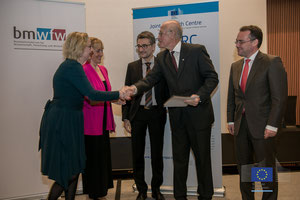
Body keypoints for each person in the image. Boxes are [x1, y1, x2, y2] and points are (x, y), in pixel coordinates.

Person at [126, 20, 219, 200]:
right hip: (178, 117)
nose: (158, 37)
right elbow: (150, 79)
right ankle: (180, 197)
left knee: (202, 161)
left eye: (161, 34)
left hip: (199, 117)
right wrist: (134, 89)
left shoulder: (196, 51)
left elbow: (212, 78)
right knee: (180, 161)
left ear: (173, 35)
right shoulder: (162, 58)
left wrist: (199, 96)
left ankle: (205, 196)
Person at [39, 32, 127, 200]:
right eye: (88, 47)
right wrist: (119, 93)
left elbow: (90, 95)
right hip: (63, 121)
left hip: (70, 119)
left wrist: (115, 97)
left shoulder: (72, 66)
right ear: (80, 48)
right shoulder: (72, 67)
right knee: (67, 173)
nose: (91, 51)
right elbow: (92, 94)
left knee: (74, 169)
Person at [227, 25, 287, 200]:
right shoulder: (235, 66)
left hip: (263, 127)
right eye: (236, 41)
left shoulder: (271, 62)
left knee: (263, 170)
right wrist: (231, 120)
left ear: (255, 42)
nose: (237, 45)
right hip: (241, 126)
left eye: (241, 41)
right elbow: (233, 96)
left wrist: (273, 124)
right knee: (245, 168)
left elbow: (279, 97)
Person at [122, 31, 169, 200]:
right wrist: (126, 117)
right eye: (139, 46)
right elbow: (127, 93)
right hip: (137, 114)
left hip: (157, 113)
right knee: (137, 153)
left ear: (153, 46)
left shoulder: (163, 64)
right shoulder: (132, 66)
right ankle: (141, 189)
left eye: (144, 46)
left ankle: (156, 188)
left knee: (157, 153)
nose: (141, 49)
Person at [81, 37, 120, 199]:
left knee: (103, 156)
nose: (100, 54)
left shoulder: (103, 70)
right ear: (89, 52)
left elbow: (106, 94)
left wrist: (118, 98)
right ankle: (94, 191)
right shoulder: (83, 70)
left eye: (102, 50)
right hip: (90, 121)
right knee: (93, 157)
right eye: (97, 50)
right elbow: (90, 96)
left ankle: (102, 189)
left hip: (104, 119)